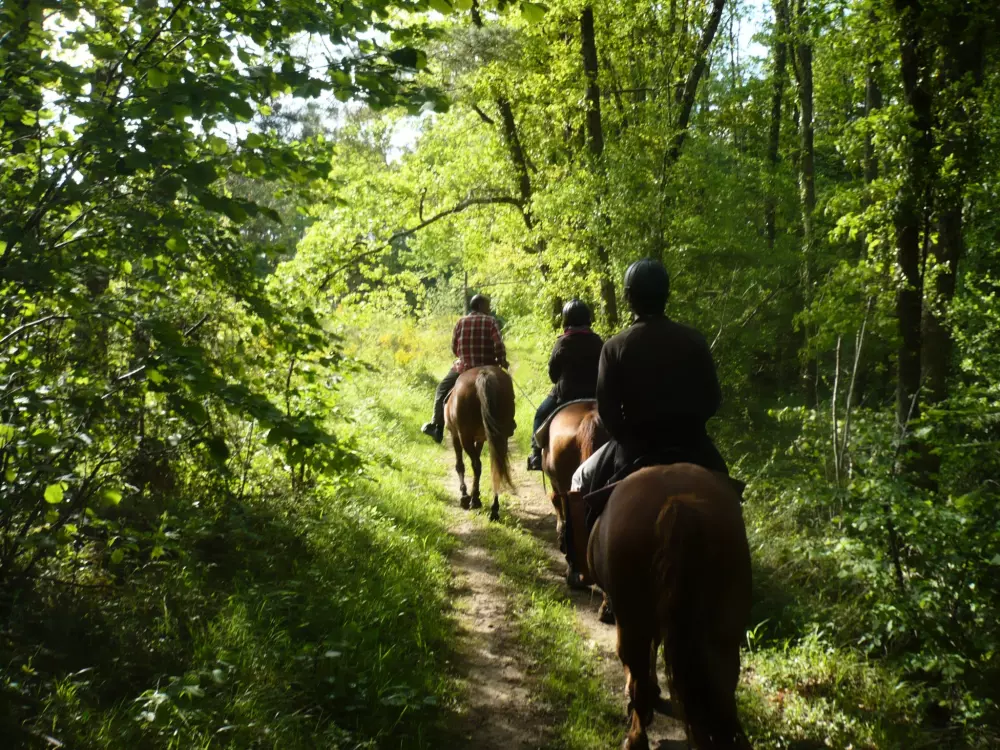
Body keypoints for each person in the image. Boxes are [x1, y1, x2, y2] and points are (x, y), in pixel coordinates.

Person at [584, 257, 729, 493]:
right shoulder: (694, 340)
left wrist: (628, 436)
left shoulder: (614, 347)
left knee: (581, 480)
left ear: (628, 297)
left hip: (633, 449)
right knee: (728, 491)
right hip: (692, 445)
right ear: (666, 295)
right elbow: (712, 400)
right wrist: (688, 427)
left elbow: (608, 411)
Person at [526, 299, 604, 471]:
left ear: (566, 319)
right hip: (595, 395)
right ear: (588, 318)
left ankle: (536, 455)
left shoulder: (562, 342)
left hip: (565, 396)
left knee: (540, 414)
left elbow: (553, 376)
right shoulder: (597, 341)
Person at [421, 294, 509, 443]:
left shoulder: (460, 322)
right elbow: (499, 345)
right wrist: (501, 361)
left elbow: (454, 347)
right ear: (480, 306)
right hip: (488, 368)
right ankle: (509, 422)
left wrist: (464, 356)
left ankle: (437, 427)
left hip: (463, 368)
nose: (489, 309)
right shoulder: (491, 321)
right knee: (506, 390)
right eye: (487, 305)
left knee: (442, 390)